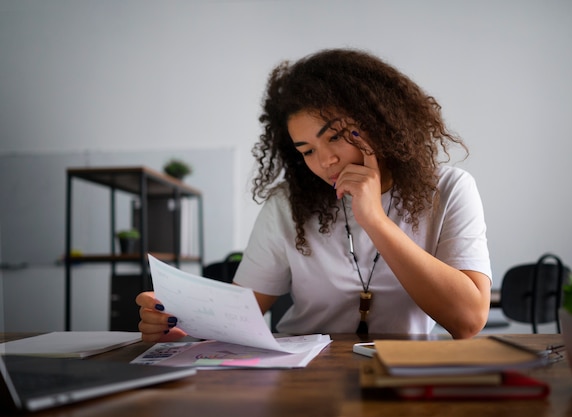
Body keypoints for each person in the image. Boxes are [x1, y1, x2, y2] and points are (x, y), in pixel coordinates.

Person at [136, 48, 492, 342]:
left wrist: (374, 220)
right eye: (307, 151)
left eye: (335, 136)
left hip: (400, 374)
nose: (325, 161)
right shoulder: (289, 203)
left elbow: (468, 320)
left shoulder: (448, 190)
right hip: (304, 372)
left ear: (379, 121)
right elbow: (238, 312)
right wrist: (177, 322)